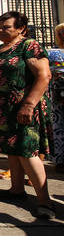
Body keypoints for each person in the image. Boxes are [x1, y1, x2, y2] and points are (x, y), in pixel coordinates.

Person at [0, 11, 55, 219]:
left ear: (21, 28)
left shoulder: (29, 46)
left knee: (27, 150)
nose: (1, 30)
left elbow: (44, 75)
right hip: (2, 108)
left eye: (6, 27)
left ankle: (44, 201)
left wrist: (29, 104)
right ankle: (16, 190)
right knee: (12, 149)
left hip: (23, 108)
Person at [48, 23, 64, 172]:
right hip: (57, 93)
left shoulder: (53, 54)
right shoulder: (53, 53)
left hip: (57, 91)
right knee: (59, 126)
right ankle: (60, 160)